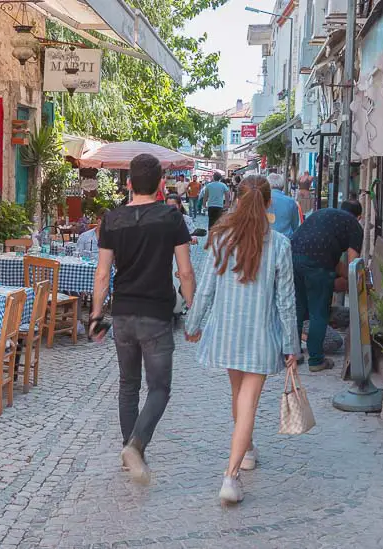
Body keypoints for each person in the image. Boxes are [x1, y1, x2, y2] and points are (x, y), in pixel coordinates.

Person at [184, 175, 298, 504]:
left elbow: (205, 289)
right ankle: (230, 477)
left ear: (236, 199)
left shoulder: (221, 239)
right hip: (261, 335)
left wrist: (193, 324)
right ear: (267, 204)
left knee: (238, 396)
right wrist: (291, 345)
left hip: (227, 333)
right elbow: (286, 302)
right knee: (247, 402)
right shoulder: (279, 244)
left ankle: (245, 449)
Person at [91, 153, 195, 484]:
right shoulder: (171, 218)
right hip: (156, 313)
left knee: (128, 384)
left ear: (130, 183)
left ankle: (129, 452)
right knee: (160, 388)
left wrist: (96, 314)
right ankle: (136, 445)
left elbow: (103, 273)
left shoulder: (112, 220)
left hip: (122, 313)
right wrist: (192, 309)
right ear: (161, 184)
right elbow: (186, 271)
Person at [291, 200, 364, 372]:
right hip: (317, 263)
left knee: (299, 307)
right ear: (359, 217)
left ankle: (293, 353)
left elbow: (337, 263)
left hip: (293, 255)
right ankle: (316, 360)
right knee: (319, 310)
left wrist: (342, 275)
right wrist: (358, 285)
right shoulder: (354, 226)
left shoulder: (326, 214)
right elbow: (354, 265)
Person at [266, 173, 300, 238]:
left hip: (266, 241)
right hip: (286, 241)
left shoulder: (262, 200)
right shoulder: (291, 202)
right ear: (282, 186)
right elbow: (295, 226)